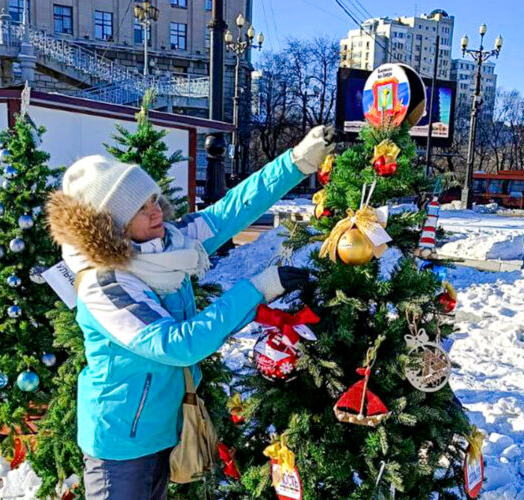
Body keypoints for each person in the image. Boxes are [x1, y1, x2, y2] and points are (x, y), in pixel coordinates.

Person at [46, 126, 334, 500]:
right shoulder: (105, 284)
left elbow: (230, 211)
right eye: (141, 208)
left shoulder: (169, 244)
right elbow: (177, 344)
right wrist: (257, 288)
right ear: (112, 226)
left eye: (153, 200)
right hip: (119, 442)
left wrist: (295, 162)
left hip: (163, 428)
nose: (156, 212)